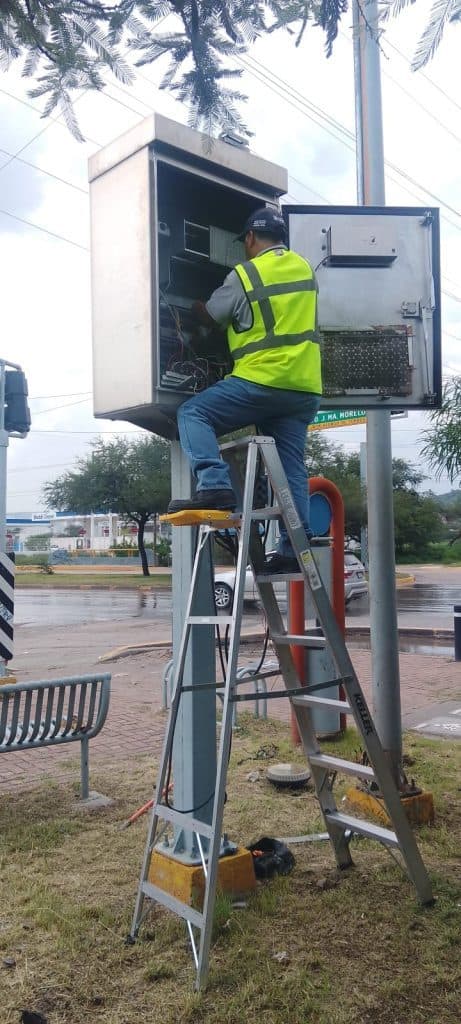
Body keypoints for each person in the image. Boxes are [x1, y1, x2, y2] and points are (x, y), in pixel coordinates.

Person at [167, 207, 322, 572]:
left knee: (193, 413)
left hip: (262, 380)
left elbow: (212, 316)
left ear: (250, 239)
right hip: (303, 389)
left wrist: (194, 308)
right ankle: (291, 552)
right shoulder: (305, 268)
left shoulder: (246, 273)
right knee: (290, 468)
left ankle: (215, 485)